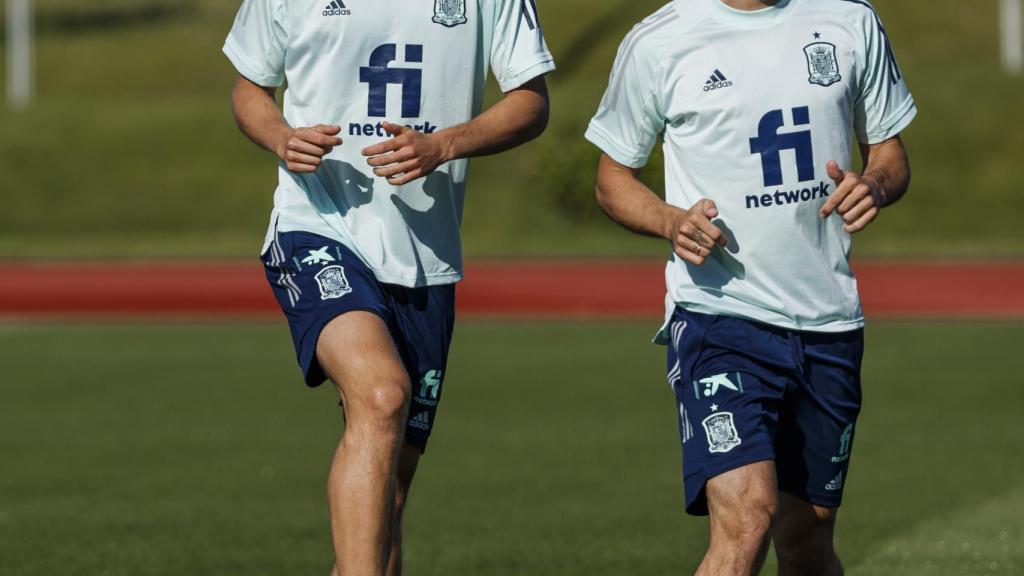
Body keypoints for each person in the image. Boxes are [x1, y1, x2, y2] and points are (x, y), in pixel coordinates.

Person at [223, 0, 553, 573]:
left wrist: (443, 145)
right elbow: (250, 87)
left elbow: (531, 101)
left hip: (425, 258)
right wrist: (281, 136)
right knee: (382, 393)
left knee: (388, 496)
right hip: (316, 226)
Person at [586, 0, 914, 573]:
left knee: (807, 537)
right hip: (719, 316)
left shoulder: (849, 18)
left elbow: (889, 151)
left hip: (827, 321)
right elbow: (612, 178)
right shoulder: (660, 39)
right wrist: (670, 220)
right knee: (747, 516)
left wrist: (875, 186)